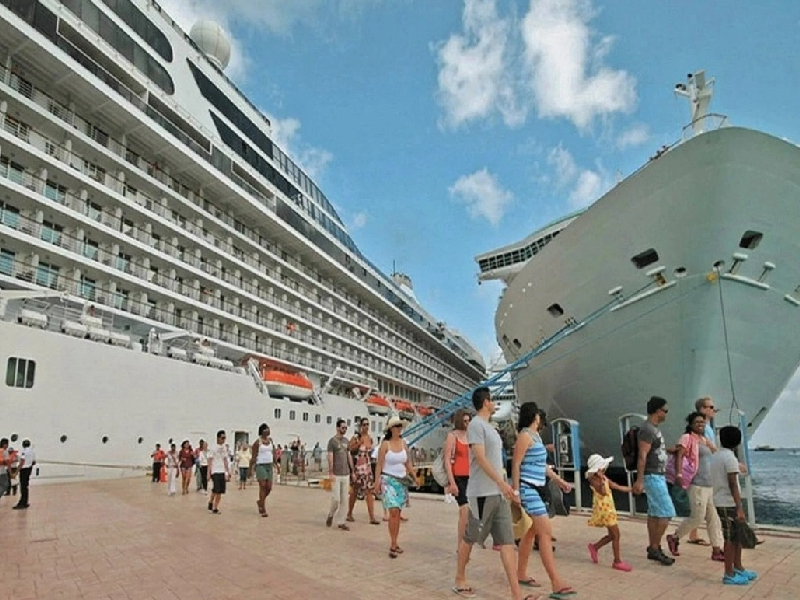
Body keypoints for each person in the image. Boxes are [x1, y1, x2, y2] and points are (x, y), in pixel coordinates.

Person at [453, 388, 537, 600]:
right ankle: (459, 579)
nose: (494, 403)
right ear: (486, 402)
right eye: (492, 400)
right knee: (470, 537)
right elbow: (480, 458)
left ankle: (517, 595)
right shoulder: (475, 425)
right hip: (481, 493)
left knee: (507, 542)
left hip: (498, 494)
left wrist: (504, 486)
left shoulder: (490, 427)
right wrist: (502, 483)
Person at [513, 401, 576, 597]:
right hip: (528, 489)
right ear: (535, 416)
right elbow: (515, 465)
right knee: (545, 533)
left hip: (538, 489)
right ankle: (556, 582)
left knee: (532, 532)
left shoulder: (536, 437)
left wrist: (559, 481)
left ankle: (520, 573)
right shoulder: (524, 436)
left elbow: (542, 466)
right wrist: (516, 493)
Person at [665, 412, 724, 560]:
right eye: (697, 422)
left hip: (709, 484)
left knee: (713, 518)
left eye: (703, 422)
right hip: (697, 484)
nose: (701, 424)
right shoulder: (687, 438)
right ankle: (675, 537)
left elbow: (715, 455)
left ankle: (717, 550)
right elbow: (679, 454)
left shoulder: (704, 439)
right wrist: (678, 475)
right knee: (697, 517)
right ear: (691, 424)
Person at [710, 426, 758, 585]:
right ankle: (729, 573)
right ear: (737, 442)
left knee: (736, 536)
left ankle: (738, 567)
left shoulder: (717, 456)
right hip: (727, 502)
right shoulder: (730, 458)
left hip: (720, 499)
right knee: (730, 537)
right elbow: (733, 484)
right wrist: (739, 506)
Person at [632, 396, 676, 566]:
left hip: (657, 475)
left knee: (654, 513)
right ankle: (655, 547)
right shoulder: (648, 430)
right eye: (665, 410)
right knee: (666, 512)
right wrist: (639, 480)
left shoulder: (653, 429)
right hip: (653, 476)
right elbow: (642, 455)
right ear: (658, 411)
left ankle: (653, 547)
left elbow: (653, 451)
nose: (666, 414)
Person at [374, 416, 415, 558]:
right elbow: (379, 464)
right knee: (392, 512)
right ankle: (392, 543)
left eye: (400, 426)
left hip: (401, 482)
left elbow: (408, 462)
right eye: (396, 426)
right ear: (391, 429)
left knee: (397, 513)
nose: (399, 428)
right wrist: (376, 482)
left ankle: (396, 541)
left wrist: (414, 476)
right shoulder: (385, 444)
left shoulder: (404, 443)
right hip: (388, 480)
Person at [586, 454, 632, 571]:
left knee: (612, 535)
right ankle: (617, 561)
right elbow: (602, 492)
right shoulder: (593, 480)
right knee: (616, 534)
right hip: (604, 511)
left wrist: (631, 489)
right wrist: (601, 480)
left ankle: (595, 547)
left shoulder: (604, 478)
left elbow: (615, 486)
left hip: (609, 510)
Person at [445, 408, 472, 552]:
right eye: (465, 421)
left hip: (471, 477)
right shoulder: (452, 436)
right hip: (458, 476)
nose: (467, 424)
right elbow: (447, 460)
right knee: (464, 510)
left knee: (468, 512)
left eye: (469, 421)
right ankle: (460, 544)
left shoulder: (471, 435)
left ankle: (465, 541)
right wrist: (452, 482)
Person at [347, 418, 380, 524]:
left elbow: (370, 453)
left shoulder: (370, 438)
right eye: (364, 424)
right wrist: (358, 443)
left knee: (369, 492)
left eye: (367, 424)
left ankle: (372, 517)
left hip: (367, 467)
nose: (366, 426)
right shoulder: (356, 437)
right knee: (355, 491)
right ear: (360, 426)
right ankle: (349, 513)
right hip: (358, 468)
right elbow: (349, 449)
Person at [326, 419, 354, 530]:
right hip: (336, 474)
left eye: (346, 428)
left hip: (345, 473)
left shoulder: (347, 441)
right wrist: (331, 472)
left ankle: (341, 522)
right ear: (337, 428)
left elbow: (349, 456)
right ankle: (331, 514)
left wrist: (352, 471)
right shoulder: (332, 442)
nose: (344, 430)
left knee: (344, 499)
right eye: (343, 428)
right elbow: (330, 457)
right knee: (336, 499)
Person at [249, 424, 276, 517]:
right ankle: (262, 508)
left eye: (268, 428)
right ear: (262, 431)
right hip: (260, 465)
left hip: (269, 465)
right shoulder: (257, 442)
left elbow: (274, 452)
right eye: (266, 429)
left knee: (269, 487)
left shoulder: (271, 441)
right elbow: (253, 457)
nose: (268, 430)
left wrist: (276, 464)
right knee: (262, 485)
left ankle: (260, 501)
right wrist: (250, 469)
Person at [207, 431, 230, 514]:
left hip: (222, 470)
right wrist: (208, 473)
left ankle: (213, 504)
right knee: (217, 490)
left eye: (224, 438)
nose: (223, 440)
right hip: (215, 470)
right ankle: (214, 506)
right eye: (222, 438)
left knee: (219, 490)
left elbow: (225, 460)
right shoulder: (213, 447)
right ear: (218, 438)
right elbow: (210, 460)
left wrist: (227, 471)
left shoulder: (224, 448)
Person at [13, 439, 36, 509]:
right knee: (25, 486)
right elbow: (34, 462)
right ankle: (25, 502)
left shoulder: (24, 452)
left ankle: (22, 503)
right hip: (29, 469)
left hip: (24, 470)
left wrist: (16, 472)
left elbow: (22, 462)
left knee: (23, 487)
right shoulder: (32, 451)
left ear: (23, 445)